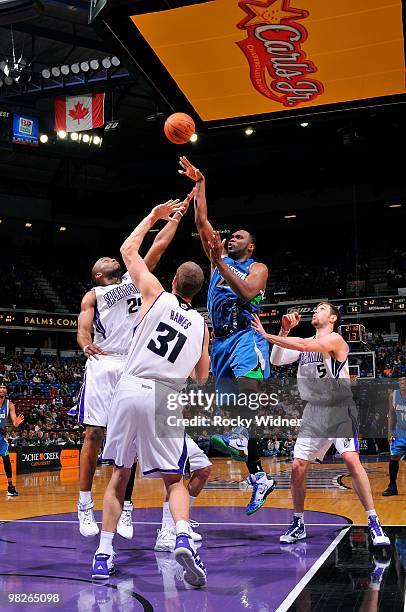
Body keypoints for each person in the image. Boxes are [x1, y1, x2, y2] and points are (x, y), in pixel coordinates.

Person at [92, 200, 209, 588]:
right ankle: (180, 535)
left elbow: (128, 251)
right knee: (174, 480)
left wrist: (155, 216)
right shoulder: (201, 326)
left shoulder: (155, 294)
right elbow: (203, 376)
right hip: (166, 396)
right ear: (199, 290)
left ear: (175, 281)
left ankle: (104, 553)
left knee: (118, 477)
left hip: (129, 388)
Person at [76, 192, 192, 539]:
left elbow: (156, 246)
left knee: (131, 444)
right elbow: (83, 331)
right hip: (104, 362)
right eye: (105, 259)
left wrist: (174, 218)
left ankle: (126, 510)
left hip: (134, 366)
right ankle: (84, 504)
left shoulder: (133, 281)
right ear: (99, 273)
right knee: (94, 434)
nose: (113, 257)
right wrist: (85, 345)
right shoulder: (93, 295)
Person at [179, 156, 275, 515]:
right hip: (219, 341)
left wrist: (220, 262)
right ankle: (258, 476)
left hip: (246, 335)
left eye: (239, 237)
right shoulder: (216, 254)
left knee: (245, 398)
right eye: (230, 235)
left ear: (250, 247)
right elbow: (202, 220)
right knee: (229, 414)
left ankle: (248, 454)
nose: (231, 238)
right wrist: (200, 182)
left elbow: (249, 293)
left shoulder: (256, 267)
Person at [252, 304, 390, 547]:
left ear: (333, 317)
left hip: (339, 408)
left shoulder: (336, 339)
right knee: (297, 466)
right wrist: (283, 332)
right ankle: (298, 523)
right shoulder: (305, 342)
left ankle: (373, 521)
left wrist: (266, 335)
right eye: (315, 309)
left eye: (321, 309)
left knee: (350, 459)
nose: (315, 311)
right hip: (313, 411)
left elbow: (305, 346)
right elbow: (276, 361)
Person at [155, 434, 212, 551]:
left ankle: (180, 523)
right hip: (163, 430)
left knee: (203, 468)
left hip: (179, 431)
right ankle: (166, 532)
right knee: (174, 477)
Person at [382, 377, 406, 496]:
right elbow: (391, 413)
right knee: (394, 457)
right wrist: (390, 431)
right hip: (399, 432)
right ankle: (392, 486)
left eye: (405, 380)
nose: (403, 382)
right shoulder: (393, 395)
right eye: (400, 380)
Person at [0, 382, 24, 496]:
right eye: (0, 387)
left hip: (1, 437)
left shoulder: (10, 404)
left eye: (4, 387)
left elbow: (14, 420)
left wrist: (16, 423)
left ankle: (10, 486)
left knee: (6, 460)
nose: (2, 389)